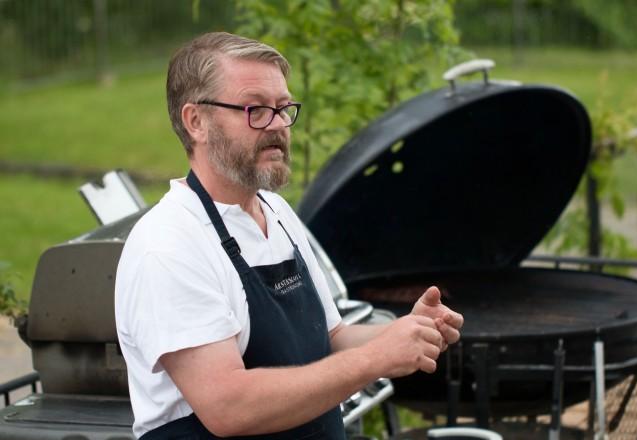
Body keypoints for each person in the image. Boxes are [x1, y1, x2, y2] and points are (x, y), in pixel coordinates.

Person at [115, 32, 464, 440]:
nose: (279, 125)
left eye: (283, 109)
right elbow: (228, 406)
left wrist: (406, 330)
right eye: (256, 110)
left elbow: (331, 339)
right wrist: (375, 359)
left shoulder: (275, 212)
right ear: (197, 122)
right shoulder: (169, 243)